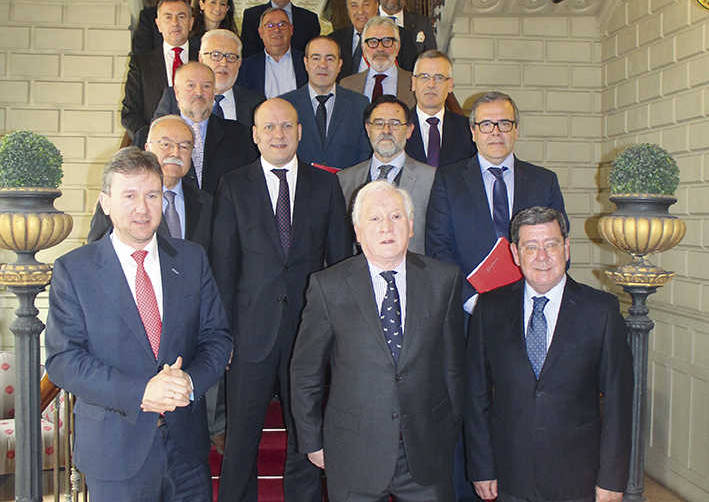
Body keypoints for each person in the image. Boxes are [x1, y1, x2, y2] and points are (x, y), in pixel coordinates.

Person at [45, 146, 232, 502]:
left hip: (187, 451)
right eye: (129, 195)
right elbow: (63, 361)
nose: (142, 208)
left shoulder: (192, 260)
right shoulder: (75, 270)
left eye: (151, 195)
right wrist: (141, 392)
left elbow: (217, 338)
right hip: (115, 456)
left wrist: (190, 382)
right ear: (105, 202)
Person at [212, 98, 351, 502]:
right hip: (249, 336)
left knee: (306, 441)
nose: (278, 134)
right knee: (240, 442)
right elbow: (224, 267)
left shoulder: (325, 185)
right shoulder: (234, 185)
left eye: (286, 126)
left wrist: (337, 335)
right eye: (269, 128)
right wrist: (224, 337)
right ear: (255, 135)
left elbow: (340, 263)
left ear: (300, 131)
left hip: (309, 336)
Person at [291, 180, 465, 501]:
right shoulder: (328, 287)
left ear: (411, 226)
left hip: (426, 452)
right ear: (357, 231)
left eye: (396, 217)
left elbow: (453, 367)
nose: (386, 226)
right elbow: (305, 372)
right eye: (374, 218)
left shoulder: (444, 280)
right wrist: (312, 441)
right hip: (353, 452)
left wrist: (449, 428)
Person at [466, 206, 633, 502]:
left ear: (566, 248)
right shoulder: (489, 309)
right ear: (516, 254)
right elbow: (475, 394)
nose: (542, 257)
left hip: (579, 479)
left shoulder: (601, 311)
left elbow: (619, 403)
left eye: (551, 245)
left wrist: (612, 478)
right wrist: (482, 466)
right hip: (510, 477)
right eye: (531, 247)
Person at [426, 91, 567, 314]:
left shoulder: (544, 181)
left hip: (532, 308)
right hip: (468, 312)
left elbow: (559, 246)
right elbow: (438, 248)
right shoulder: (448, 180)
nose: (496, 132)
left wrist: (538, 294)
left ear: (516, 130)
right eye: (486, 125)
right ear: (473, 132)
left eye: (504, 123)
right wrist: (472, 301)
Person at [88, 115, 212, 253]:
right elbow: (97, 252)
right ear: (147, 148)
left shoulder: (206, 202)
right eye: (166, 144)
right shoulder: (119, 199)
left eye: (184, 146)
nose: (175, 153)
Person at [139, 61, 258, 194]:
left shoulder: (240, 136)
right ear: (176, 93)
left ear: (214, 92)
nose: (199, 92)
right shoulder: (149, 135)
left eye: (206, 86)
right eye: (191, 86)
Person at [338, 95, 434, 254]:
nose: (386, 131)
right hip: (357, 275)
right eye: (379, 123)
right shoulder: (344, 180)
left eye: (395, 124)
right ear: (368, 129)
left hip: (413, 274)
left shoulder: (432, 180)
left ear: (409, 130)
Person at [281, 36, 371, 170]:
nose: (323, 65)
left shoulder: (360, 105)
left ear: (339, 65)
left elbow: (365, 154)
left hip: (346, 187)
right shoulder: (285, 105)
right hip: (299, 187)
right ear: (306, 63)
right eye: (316, 58)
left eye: (330, 59)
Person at [154, 29, 265, 128]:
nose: (223, 63)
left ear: (239, 63)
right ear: (201, 58)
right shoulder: (174, 96)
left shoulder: (255, 102)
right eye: (216, 55)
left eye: (231, 57)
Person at [122, 0, 198, 140]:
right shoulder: (141, 64)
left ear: (191, 22)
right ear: (158, 24)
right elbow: (130, 113)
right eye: (168, 17)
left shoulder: (204, 59)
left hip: (198, 142)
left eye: (181, 16)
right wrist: (151, 140)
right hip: (156, 147)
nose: (175, 23)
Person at [406, 50, 475, 168]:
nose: (431, 84)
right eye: (424, 77)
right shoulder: (398, 127)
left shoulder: (468, 129)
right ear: (413, 83)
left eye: (439, 78)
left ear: (450, 85)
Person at [329, 0, 417, 80]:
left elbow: (408, 77)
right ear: (347, 9)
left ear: (377, 5)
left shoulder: (400, 36)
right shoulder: (334, 40)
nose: (360, 11)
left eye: (366, 5)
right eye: (354, 5)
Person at [340, 16, 416, 108]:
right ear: (363, 48)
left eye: (387, 41)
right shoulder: (347, 85)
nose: (380, 48)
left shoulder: (415, 83)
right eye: (373, 42)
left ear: (398, 46)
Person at [237, 8, 308, 98]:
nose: (277, 30)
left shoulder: (307, 62)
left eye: (282, 24)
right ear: (261, 32)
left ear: (291, 30)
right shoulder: (245, 67)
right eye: (270, 26)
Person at [240, 0, 320, 58]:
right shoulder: (251, 15)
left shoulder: (310, 19)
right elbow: (247, 52)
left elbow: (314, 54)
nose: (277, 29)